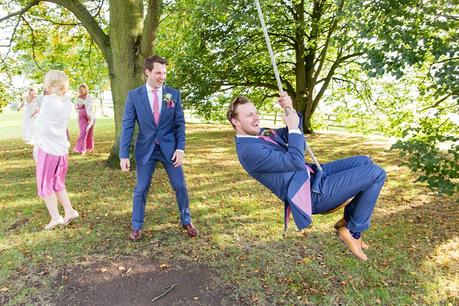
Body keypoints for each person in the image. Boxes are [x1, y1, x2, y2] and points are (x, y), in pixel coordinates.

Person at [227, 94, 386, 261]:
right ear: (235, 122)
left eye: (255, 112)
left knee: (364, 162)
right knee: (376, 173)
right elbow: (295, 161)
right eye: (249, 115)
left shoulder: (259, 134)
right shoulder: (249, 151)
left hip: (313, 175)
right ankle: (353, 232)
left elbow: (293, 135)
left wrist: (290, 109)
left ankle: (347, 222)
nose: (256, 118)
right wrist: (293, 128)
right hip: (311, 194)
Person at [119, 55, 198, 241]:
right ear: (147, 72)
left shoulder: (173, 94)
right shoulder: (134, 96)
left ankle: (186, 220)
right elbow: (127, 126)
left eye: (164, 73)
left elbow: (180, 124)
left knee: (180, 186)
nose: (162, 77)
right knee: (141, 188)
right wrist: (124, 155)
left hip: (170, 149)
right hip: (146, 149)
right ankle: (137, 226)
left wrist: (180, 149)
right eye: (158, 73)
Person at [33, 70, 79, 230]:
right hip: (61, 149)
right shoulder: (67, 103)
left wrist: (37, 118)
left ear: (50, 85)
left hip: (48, 149)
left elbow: (40, 125)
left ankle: (55, 217)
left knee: (45, 184)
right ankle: (69, 211)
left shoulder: (48, 101)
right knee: (58, 183)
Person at [74, 84, 95, 154]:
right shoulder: (77, 97)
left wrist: (89, 116)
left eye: (82, 90)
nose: (80, 91)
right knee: (83, 132)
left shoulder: (89, 97)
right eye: (79, 90)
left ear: (85, 90)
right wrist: (79, 107)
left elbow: (90, 107)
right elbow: (75, 107)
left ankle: (89, 147)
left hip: (90, 117)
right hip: (81, 117)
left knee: (90, 133)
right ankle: (80, 148)